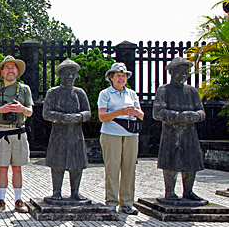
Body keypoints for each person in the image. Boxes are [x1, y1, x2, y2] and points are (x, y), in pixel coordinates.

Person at [0, 55, 33, 213]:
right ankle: (1, 200)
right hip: (1, 132)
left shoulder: (24, 89)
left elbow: (30, 112)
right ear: (2, 72)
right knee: (3, 168)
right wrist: (2, 109)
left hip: (19, 131)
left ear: (17, 71)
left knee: (17, 168)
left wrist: (22, 109)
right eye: (7, 68)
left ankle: (18, 200)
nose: (10, 70)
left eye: (13, 67)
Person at [153, 57, 205, 201]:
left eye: (186, 72)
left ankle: (188, 191)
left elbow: (201, 111)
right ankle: (170, 192)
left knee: (191, 162)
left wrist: (196, 116)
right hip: (171, 132)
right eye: (180, 72)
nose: (183, 75)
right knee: (170, 161)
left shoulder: (192, 92)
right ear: (172, 72)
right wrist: (180, 116)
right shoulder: (163, 90)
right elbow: (158, 113)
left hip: (190, 133)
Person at [98, 62, 144, 215]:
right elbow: (102, 116)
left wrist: (135, 112)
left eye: (123, 76)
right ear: (111, 78)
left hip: (131, 134)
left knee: (129, 168)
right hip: (111, 133)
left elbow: (142, 115)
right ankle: (111, 202)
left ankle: (127, 203)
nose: (121, 78)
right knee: (112, 168)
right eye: (118, 75)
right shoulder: (105, 94)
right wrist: (119, 112)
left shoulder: (131, 94)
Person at [43, 59, 91, 200]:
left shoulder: (79, 93)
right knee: (57, 163)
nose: (70, 77)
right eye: (66, 74)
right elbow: (46, 113)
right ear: (60, 75)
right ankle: (56, 191)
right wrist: (62, 117)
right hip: (58, 132)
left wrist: (79, 117)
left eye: (72, 74)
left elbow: (87, 112)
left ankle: (75, 191)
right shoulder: (53, 92)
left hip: (76, 133)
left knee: (77, 163)